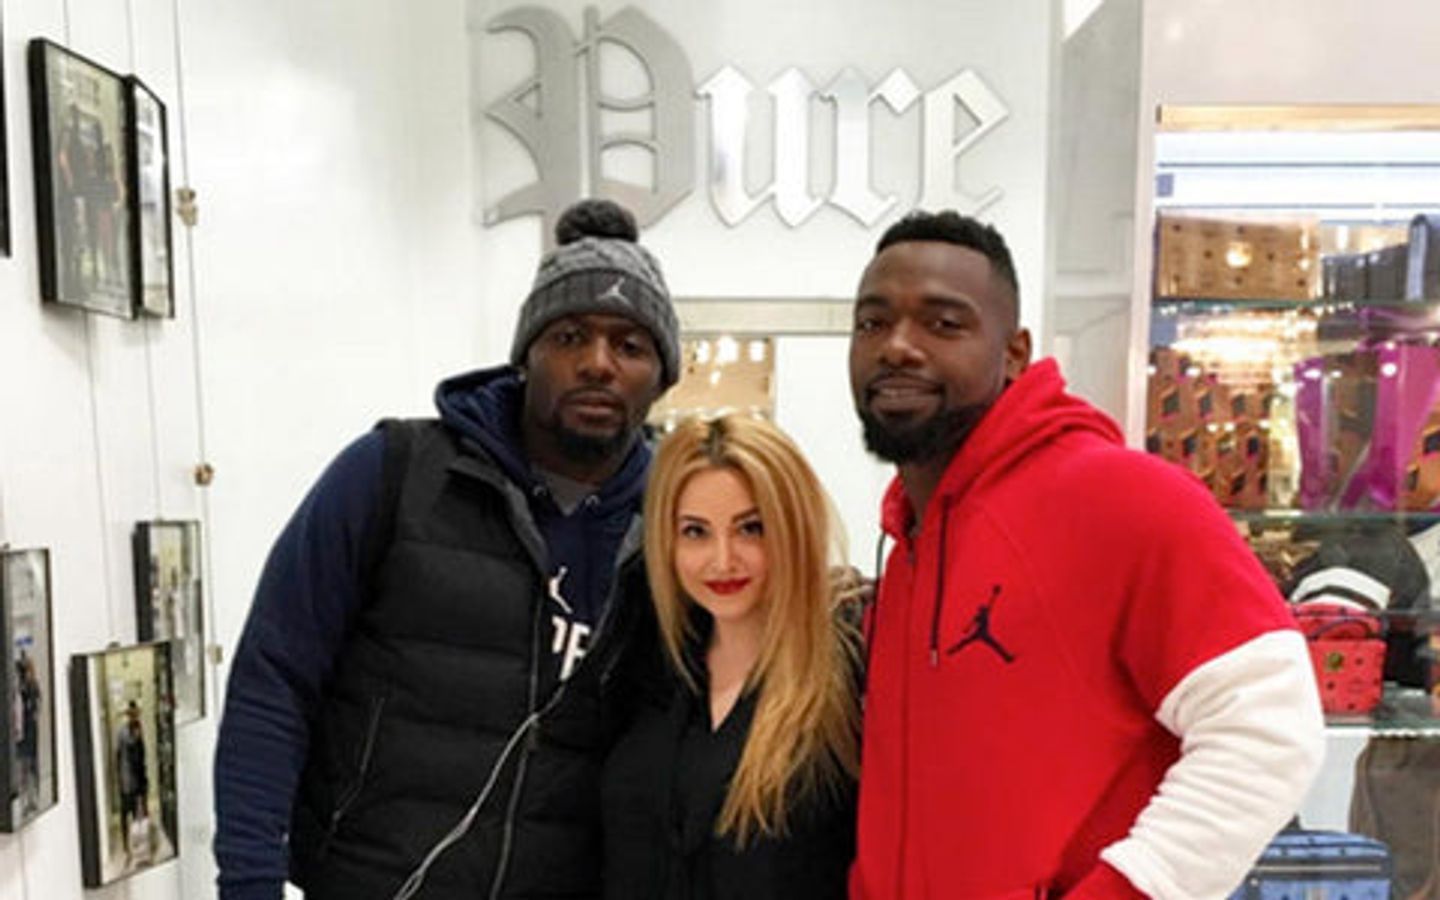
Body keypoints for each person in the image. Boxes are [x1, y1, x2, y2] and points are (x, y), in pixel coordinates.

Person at [846, 210, 1326, 899]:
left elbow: (1270, 729)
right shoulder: (909, 547)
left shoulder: (1121, 498)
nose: (897, 346)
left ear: (1015, 353)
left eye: (943, 323)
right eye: (873, 322)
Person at [213, 198, 681, 900]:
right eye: (569, 336)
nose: (597, 363)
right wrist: (249, 883)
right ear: (526, 355)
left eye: (631, 346)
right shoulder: (391, 474)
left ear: (662, 377)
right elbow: (273, 679)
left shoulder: (679, 529)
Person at [602, 414, 861, 899]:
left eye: (751, 529)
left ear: (793, 527)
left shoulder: (850, 669)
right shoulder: (650, 667)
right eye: (695, 532)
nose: (723, 560)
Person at [115, 701, 149, 858]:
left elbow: (142, 755)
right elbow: (120, 756)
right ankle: (126, 845)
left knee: (138, 812)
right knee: (125, 811)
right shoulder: (123, 733)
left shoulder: (139, 729)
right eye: (132, 714)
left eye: (136, 714)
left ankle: (138, 844)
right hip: (127, 778)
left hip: (138, 777)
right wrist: (121, 779)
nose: (134, 716)